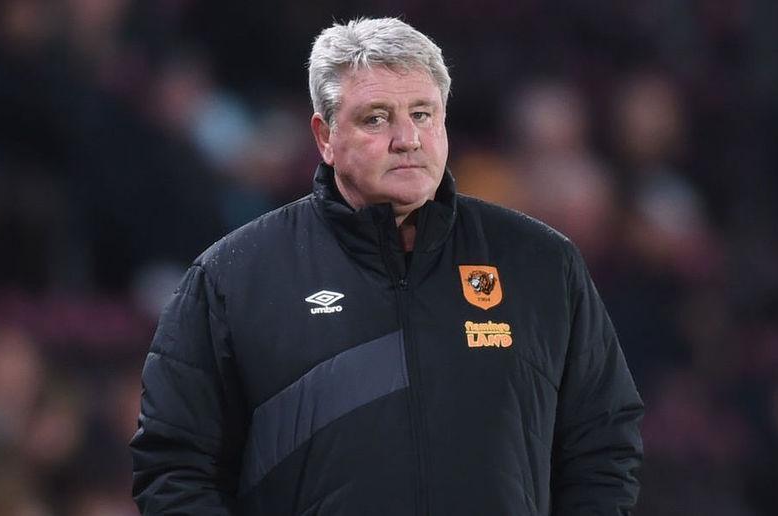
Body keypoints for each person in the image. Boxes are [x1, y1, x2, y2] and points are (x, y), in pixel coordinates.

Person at [130, 17, 643, 515]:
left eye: (422, 114)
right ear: (324, 136)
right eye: (376, 118)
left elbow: (602, 444)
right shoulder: (233, 278)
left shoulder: (541, 264)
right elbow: (176, 468)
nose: (407, 139)